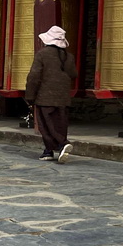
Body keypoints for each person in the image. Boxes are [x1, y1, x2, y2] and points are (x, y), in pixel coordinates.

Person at [26, 25, 78, 163]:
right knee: (60, 123)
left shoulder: (42, 54)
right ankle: (48, 151)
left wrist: (30, 95)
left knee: (45, 124)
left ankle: (62, 144)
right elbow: (73, 74)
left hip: (45, 97)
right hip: (63, 97)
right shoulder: (69, 56)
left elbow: (34, 76)